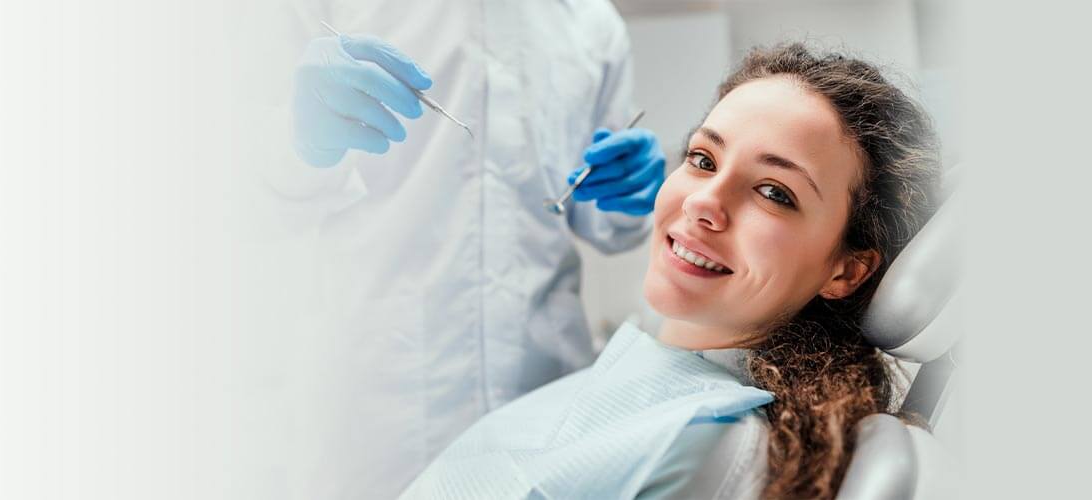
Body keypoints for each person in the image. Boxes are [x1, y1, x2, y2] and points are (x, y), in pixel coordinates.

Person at [396, 42, 944, 500]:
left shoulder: (698, 447)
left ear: (847, 270)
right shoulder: (658, 400)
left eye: (775, 193)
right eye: (703, 159)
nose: (704, 201)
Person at [266, 1, 666, 497]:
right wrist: (295, 147)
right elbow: (252, 208)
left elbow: (605, 225)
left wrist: (629, 193)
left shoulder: (590, 21)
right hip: (375, 418)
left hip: (544, 398)